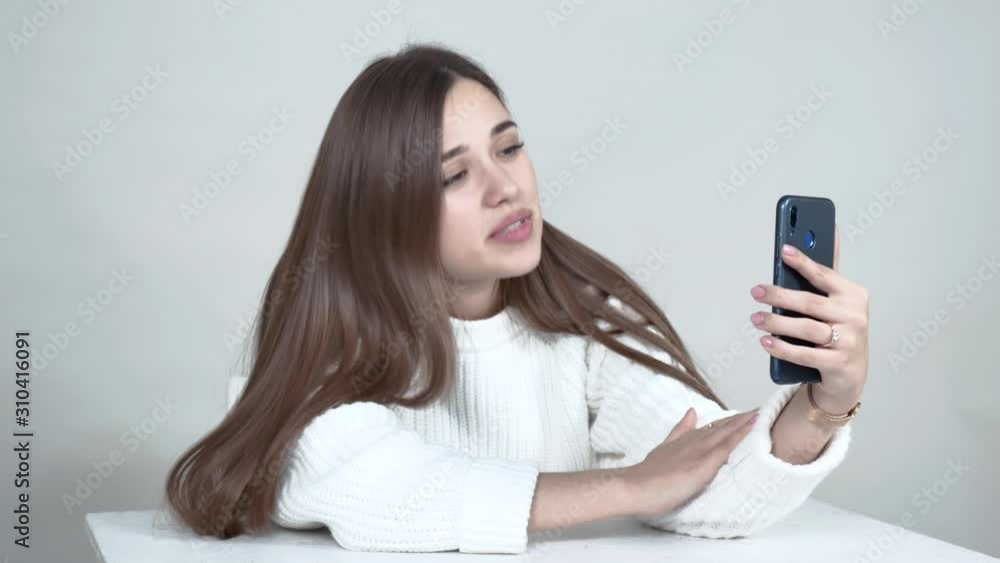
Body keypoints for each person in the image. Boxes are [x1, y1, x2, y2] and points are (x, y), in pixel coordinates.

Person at [163, 43, 870, 555]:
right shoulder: (319, 332)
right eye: (453, 175)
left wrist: (823, 404)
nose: (506, 187)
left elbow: (701, 474)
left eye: (509, 147)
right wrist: (626, 488)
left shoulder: (582, 320)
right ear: (382, 209)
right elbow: (371, 488)